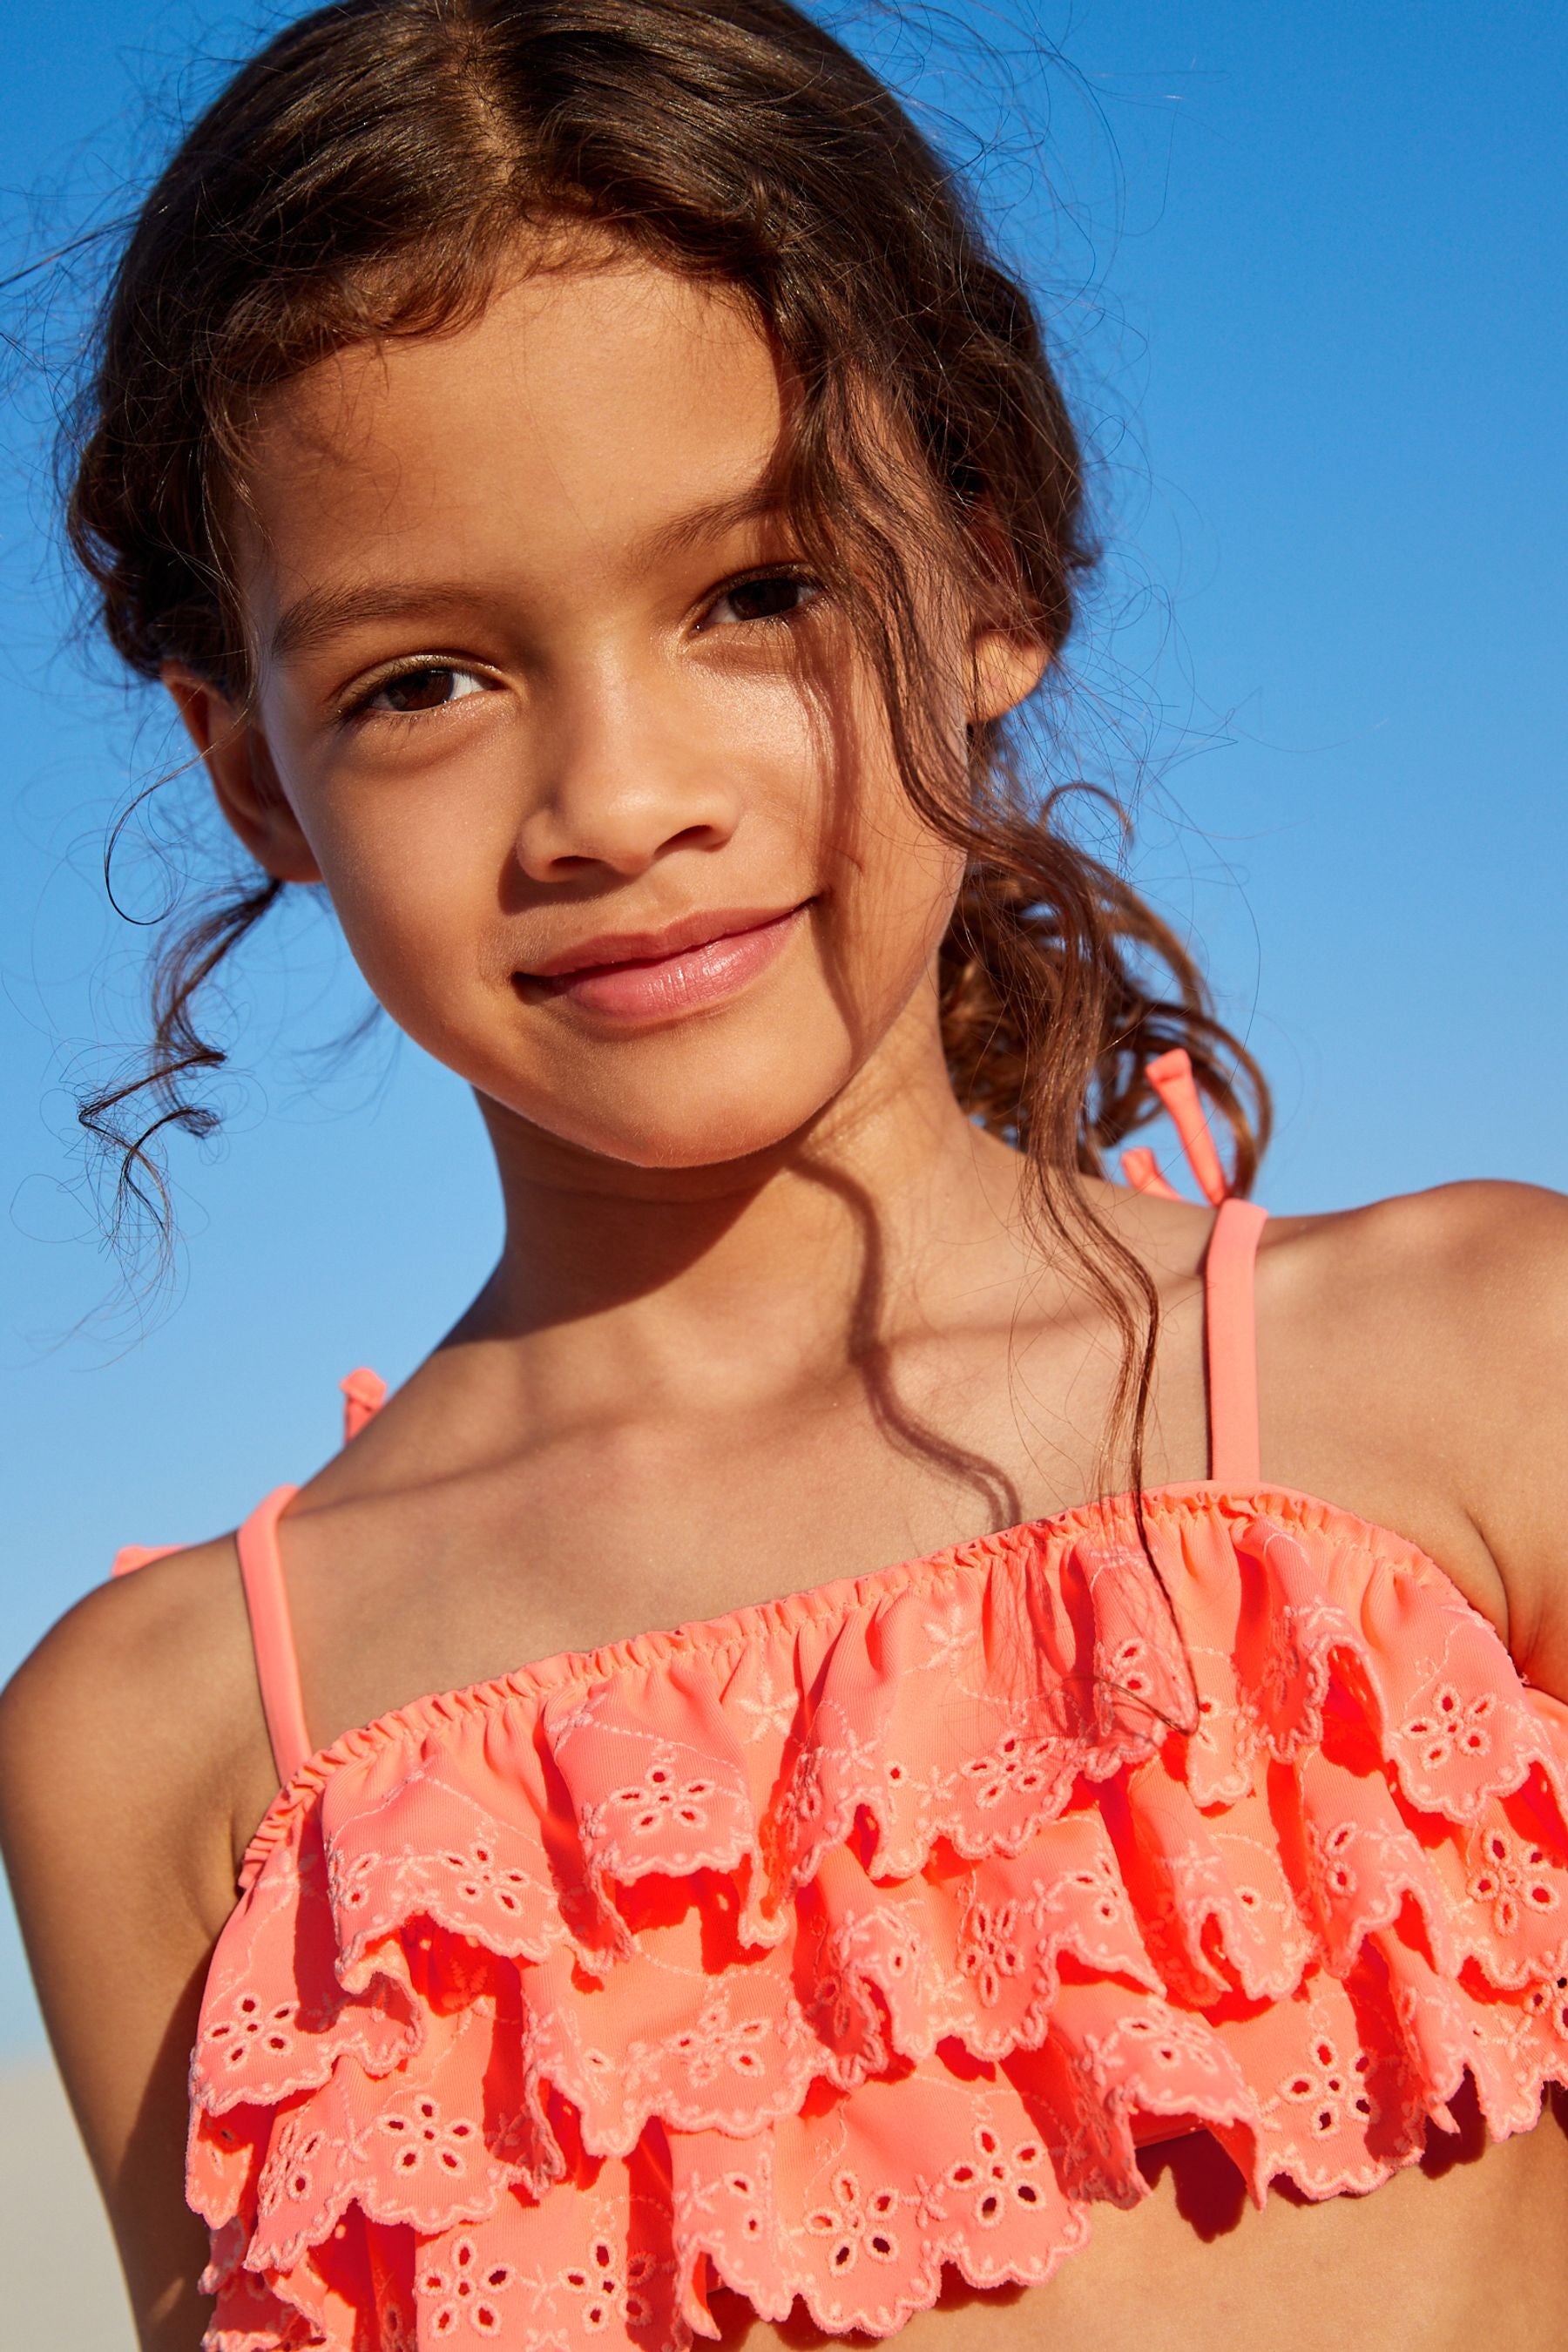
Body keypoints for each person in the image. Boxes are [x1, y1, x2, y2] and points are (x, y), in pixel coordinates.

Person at [2, 3, 1566, 2347]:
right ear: (251, 774)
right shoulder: (170, 1742)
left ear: (991, 572)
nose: (617, 800)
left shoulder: (1475, 1375)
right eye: (423, 679)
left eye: (758, 594)